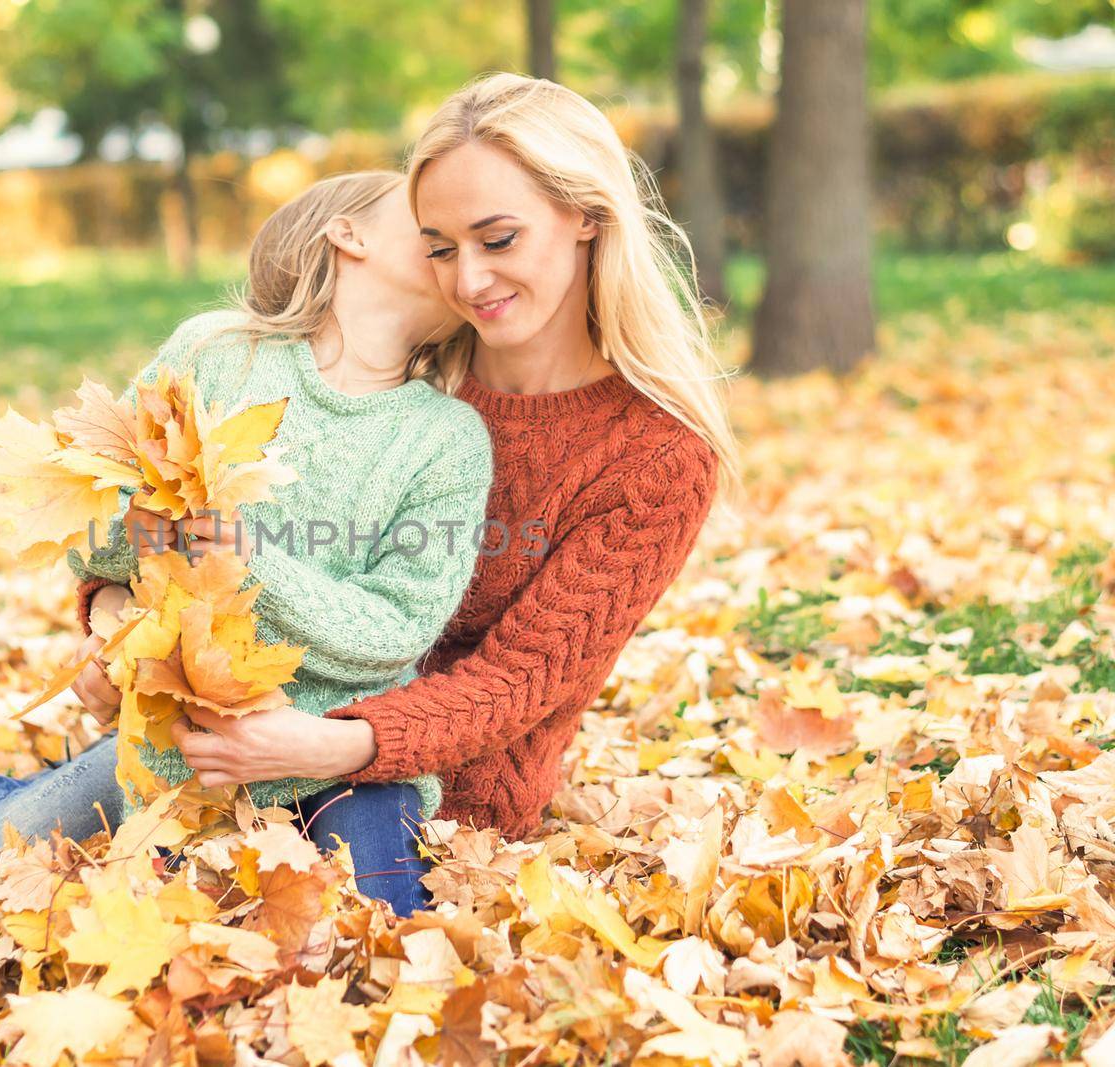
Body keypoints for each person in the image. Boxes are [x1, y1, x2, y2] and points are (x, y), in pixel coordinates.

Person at [74, 72, 738, 850]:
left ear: (587, 216)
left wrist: (331, 743)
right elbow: (193, 529)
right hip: (226, 736)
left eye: (498, 240)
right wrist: (110, 620)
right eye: (439, 250)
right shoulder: (402, 376)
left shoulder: (656, 456)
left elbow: (516, 678)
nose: (469, 280)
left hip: (435, 807)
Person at [0, 170, 494, 921]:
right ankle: (43, 802)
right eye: (425, 223)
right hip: (178, 750)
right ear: (347, 234)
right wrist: (140, 537)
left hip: (338, 759)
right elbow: (90, 524)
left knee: (376, 925)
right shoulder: (219, 357)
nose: (450, 241)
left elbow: (398, 626)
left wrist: (248, 559)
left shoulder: (447, 439)